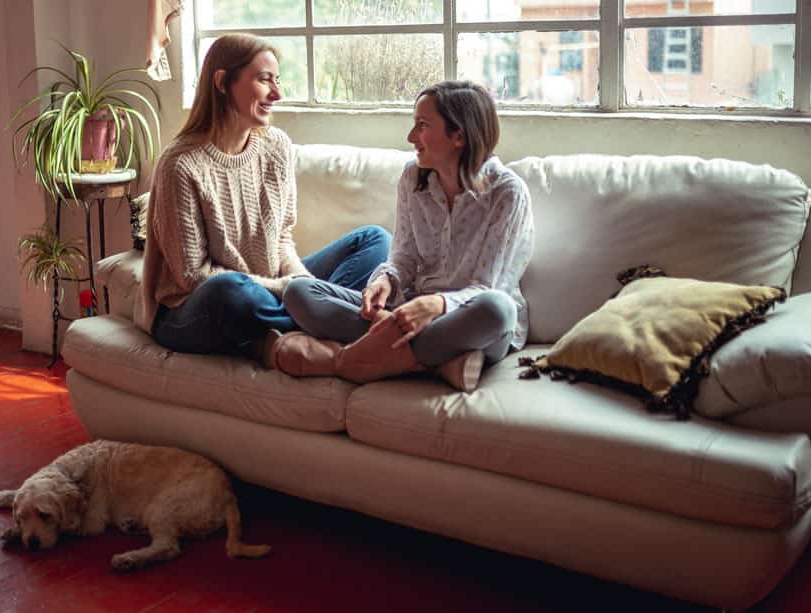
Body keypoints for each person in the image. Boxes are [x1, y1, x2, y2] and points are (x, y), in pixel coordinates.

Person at [141, 33, 390, 363]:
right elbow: (193, 277)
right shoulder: (181, 164)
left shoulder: (276, 146)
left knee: (374, 240)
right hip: (192, 308)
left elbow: (282, 238)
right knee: (231, 291)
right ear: (222, 82)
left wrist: (301, 281)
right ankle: (362, 328)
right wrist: (289, 290)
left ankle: (320, 326)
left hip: (270, 289)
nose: (278, 93)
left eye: (277, 80)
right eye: (264, 80)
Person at [278, 80, 534, 391]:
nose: (411, 137)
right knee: (300, 293)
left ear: (459, 136)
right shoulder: (413, 178)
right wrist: (385, 280)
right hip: (406, 315)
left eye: (422, 125)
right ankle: (438, 363)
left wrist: (437, 305)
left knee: (498, 310)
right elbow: (404, 256)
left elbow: (486, 287)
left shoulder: (507, 192)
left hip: (466, 320)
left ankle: (347, 361)